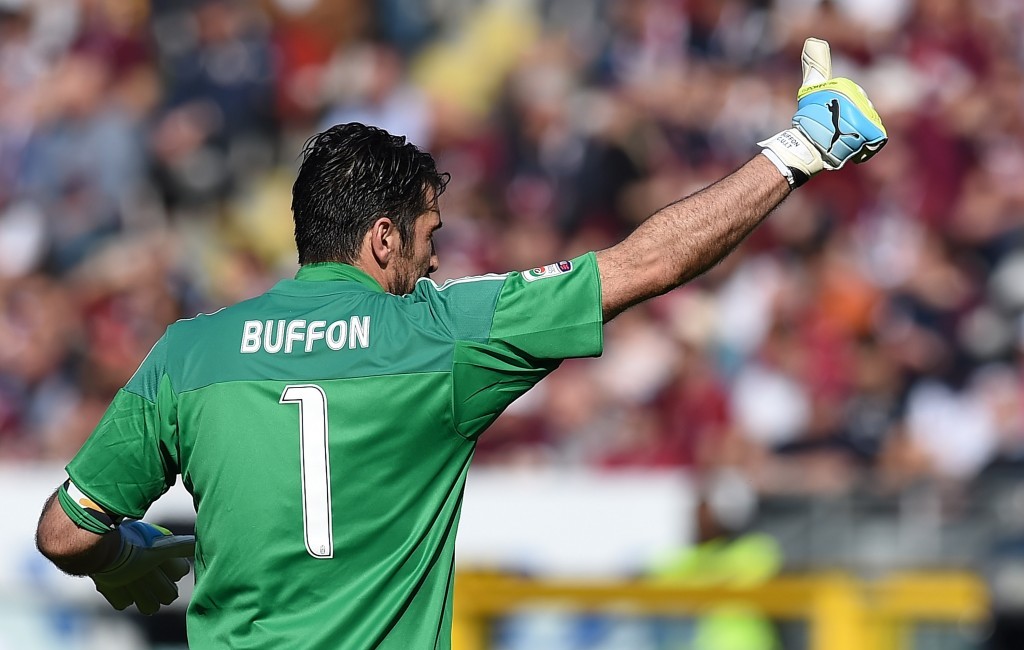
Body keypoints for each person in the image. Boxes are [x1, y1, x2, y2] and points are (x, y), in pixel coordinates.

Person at [35, 39, 885, 649]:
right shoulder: (441, 335)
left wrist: (122, 559)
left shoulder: (191, 353)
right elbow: (643, 266)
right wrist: (800, 151)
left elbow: (64, 533)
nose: (437, 254)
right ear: (380, 239)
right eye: (429, 233)